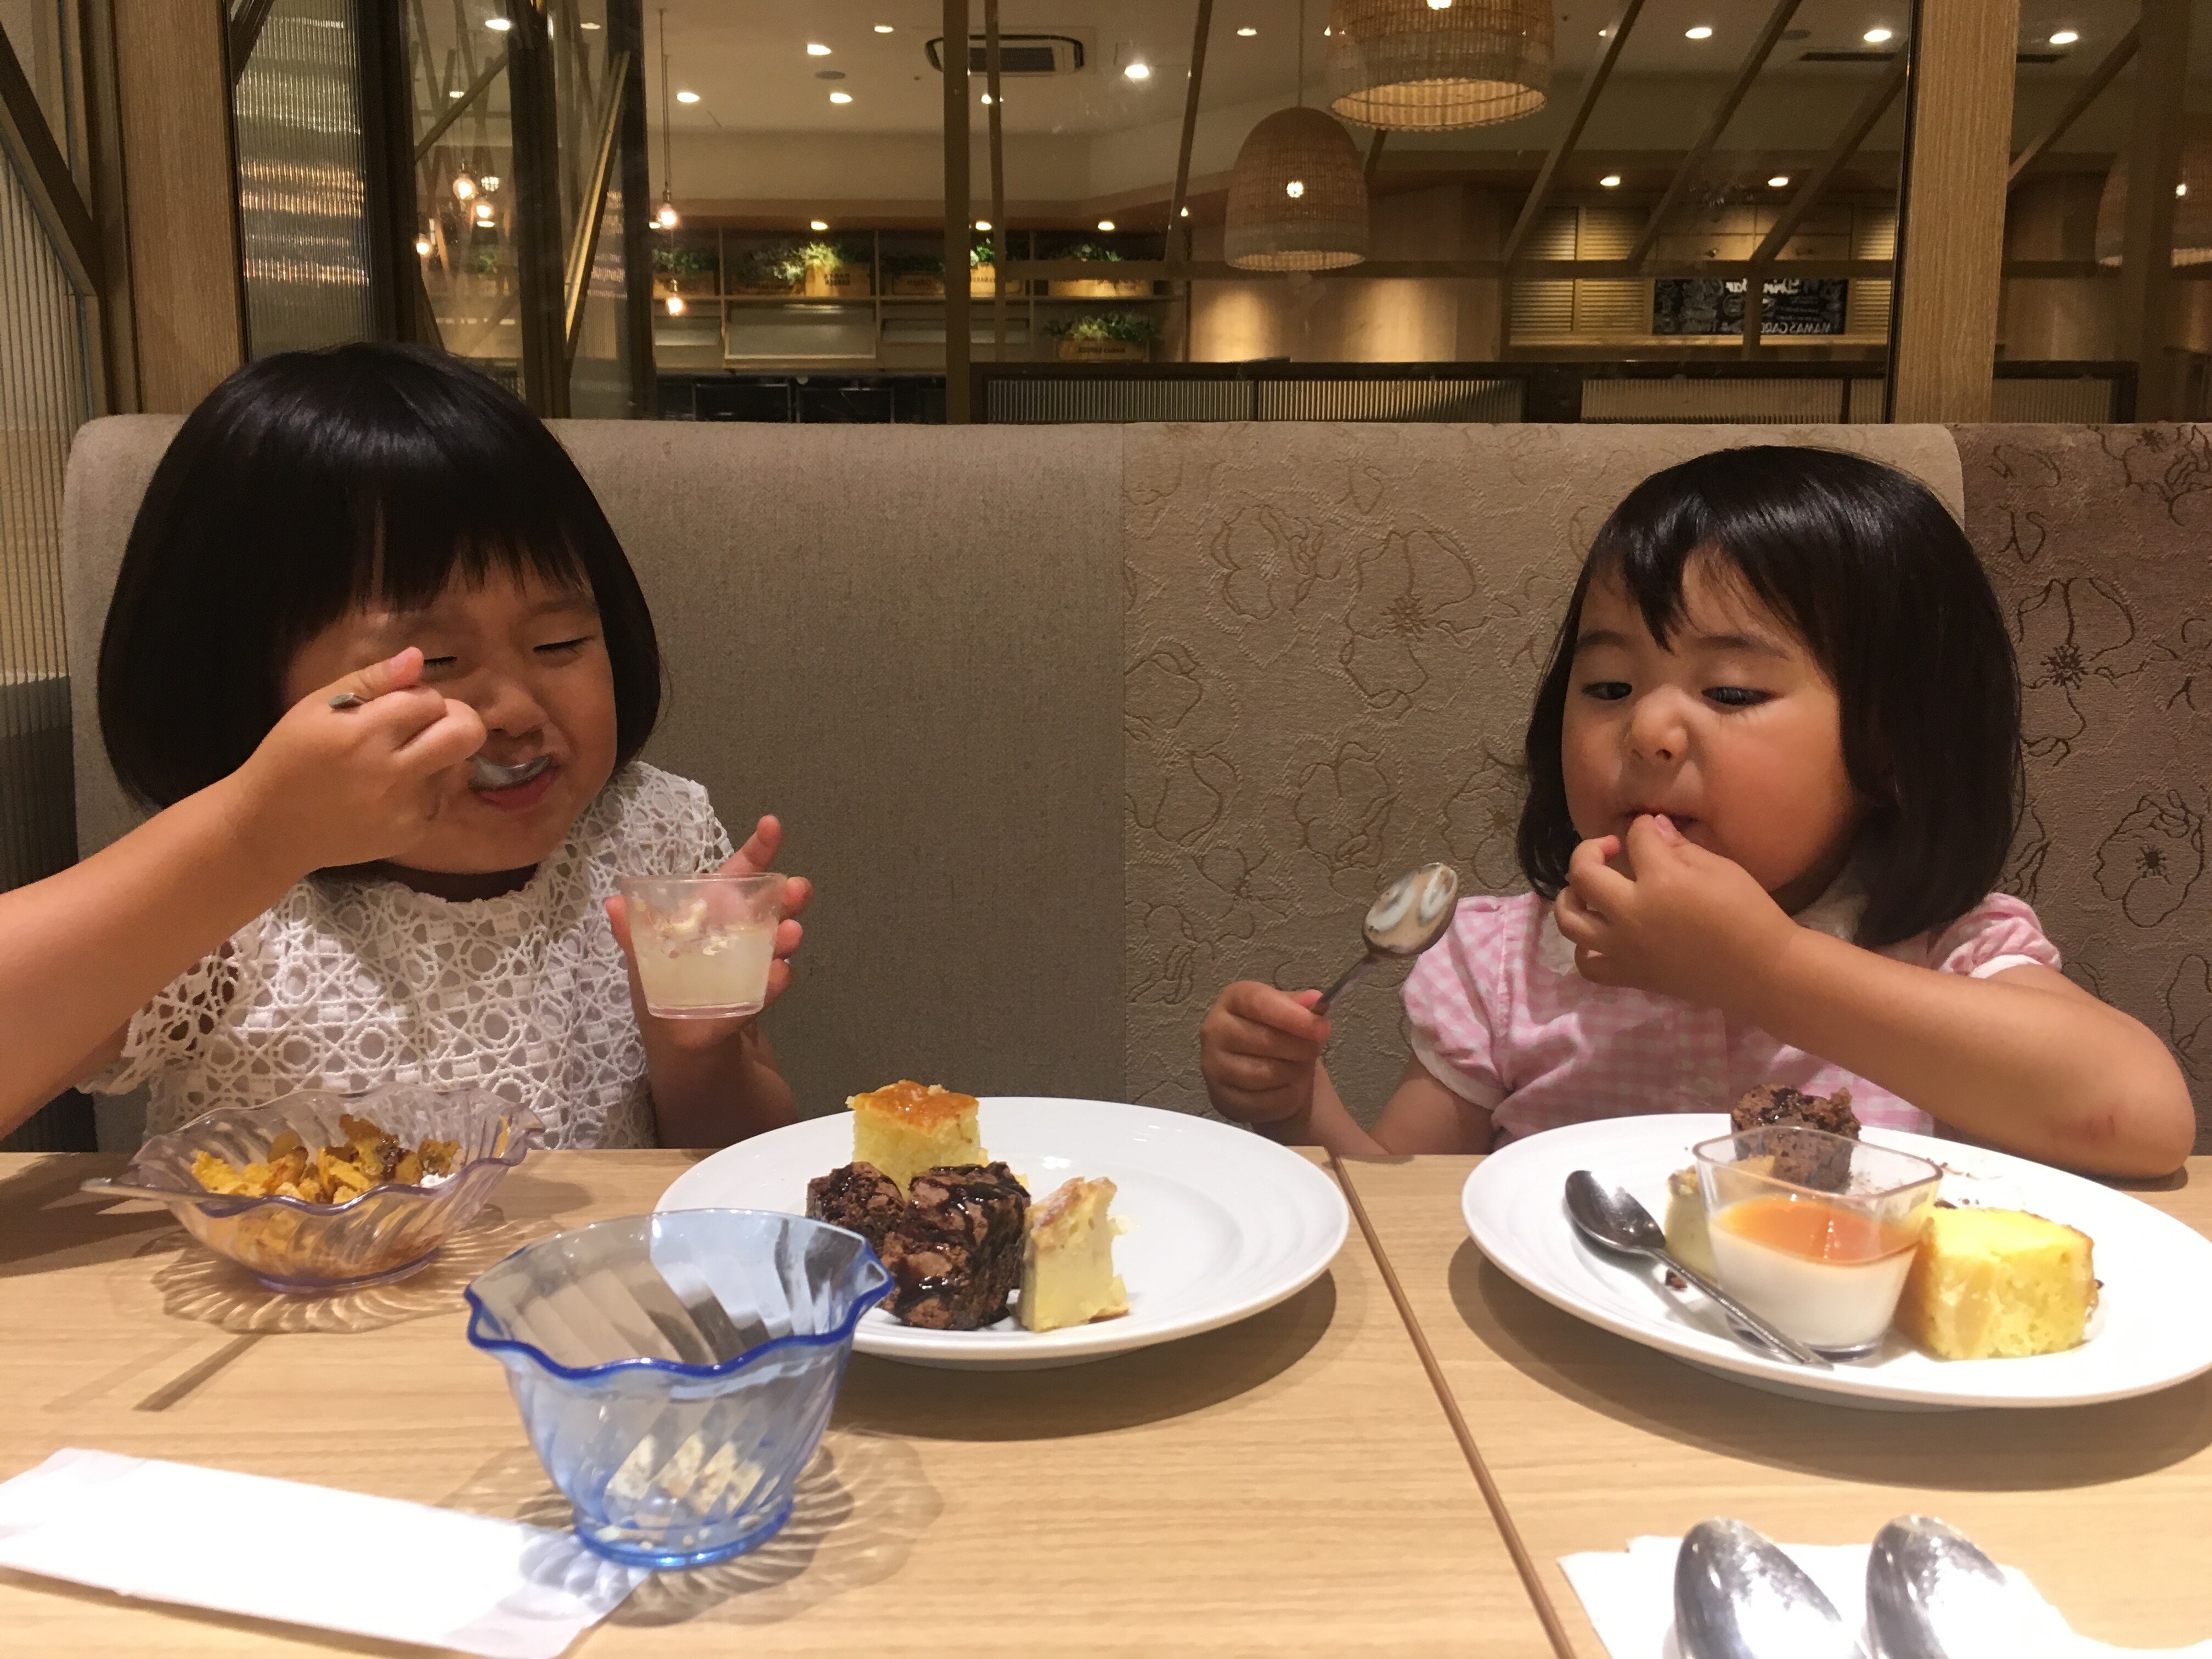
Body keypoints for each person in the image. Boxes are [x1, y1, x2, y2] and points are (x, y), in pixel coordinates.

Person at [1199, 447, 2194, 1177]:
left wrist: (1764, 967)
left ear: (1892, 745)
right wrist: (1297, 1109)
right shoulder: (1507, 965)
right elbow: (1401, 1209)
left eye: (1730, 692)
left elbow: (2141, 1119)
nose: (1649, 732)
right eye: (1609, 687)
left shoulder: (1944, 952)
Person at [0, 343, 807, 1148]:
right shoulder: (229, 903)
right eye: (439, 663)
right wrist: (256, 835)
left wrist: (695, 1056)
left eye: (559, 643)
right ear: (235, 678)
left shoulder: (645, 837)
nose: (513, 712)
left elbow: (740, 1164)